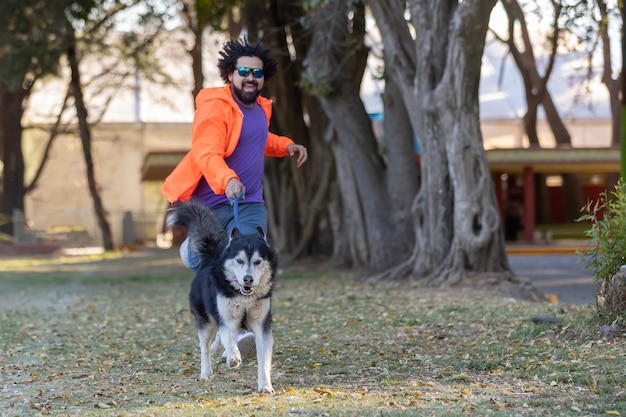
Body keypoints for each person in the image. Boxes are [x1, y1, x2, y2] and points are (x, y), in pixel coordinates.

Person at [161, 38, 308, 270]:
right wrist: (228, 179)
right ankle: (190, 253)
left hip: (250, 200)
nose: (251, 77)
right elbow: (206, 151)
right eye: (244, 71)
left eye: (257, 72)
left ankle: (244, 305)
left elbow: (256, 138)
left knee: (250, 256)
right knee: (208, 263)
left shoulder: (261, 108)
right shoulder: (215, 107)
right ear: (230, 74)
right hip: (211, 205)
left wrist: (285, 146)